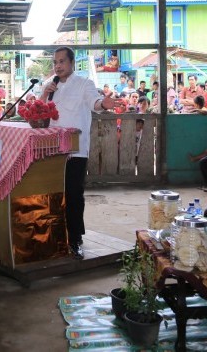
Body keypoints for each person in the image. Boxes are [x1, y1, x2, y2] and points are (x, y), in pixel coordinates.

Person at [42, 46, 121, 259]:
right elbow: (41, 116)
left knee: (74, 195)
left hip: (75, 151)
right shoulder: (50, 86)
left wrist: (103, 103)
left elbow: (95, 103)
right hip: (52, 150)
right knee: (53, 195)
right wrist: (44, 94)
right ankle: (55, 236)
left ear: (72, 63)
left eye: (62, 61)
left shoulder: (85, 84)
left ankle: (75, 238)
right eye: (55, 62)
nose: (58, 66)